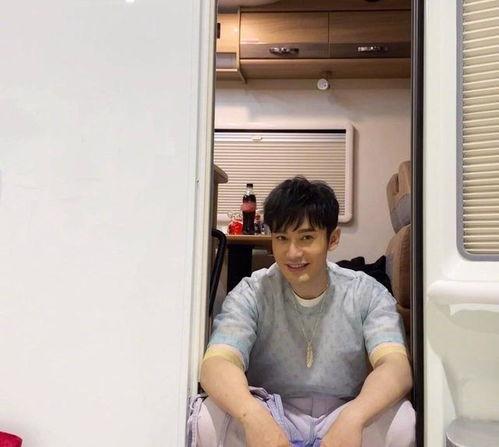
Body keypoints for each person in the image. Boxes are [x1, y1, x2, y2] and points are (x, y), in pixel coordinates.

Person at [194, 177, 415, 447]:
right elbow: (217, 363)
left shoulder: (366, 292)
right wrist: (253, 417)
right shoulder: (252, 292)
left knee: (404, 422)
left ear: (333, 239)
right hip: (272, 410)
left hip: (344, 410)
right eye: (282, 238)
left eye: (306, 237)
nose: (293, 253)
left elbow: (395, 366)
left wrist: (354, 418)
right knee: (206, 419)